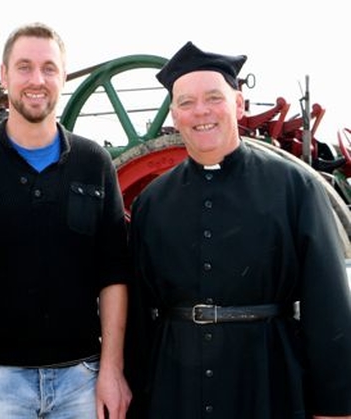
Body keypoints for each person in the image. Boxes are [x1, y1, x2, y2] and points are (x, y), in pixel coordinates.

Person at [125, 41, 351, 418]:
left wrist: (336, 407)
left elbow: (327, 303)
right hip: (175, 388)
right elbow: (137, 316)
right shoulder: (152, 202)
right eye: (186, 103)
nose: (201, 112)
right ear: (175, 115)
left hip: (268, 381)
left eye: (214, 97)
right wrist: (132, 390)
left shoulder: (295, 187)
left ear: (239, 104)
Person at [0, 22, 132, 418]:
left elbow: (113, 274)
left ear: (64, 77)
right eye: (24, 67)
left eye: (49, 68)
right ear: (4, 75)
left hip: (82, 382)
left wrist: (110, 369)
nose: (37, 80)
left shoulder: (93, 163)